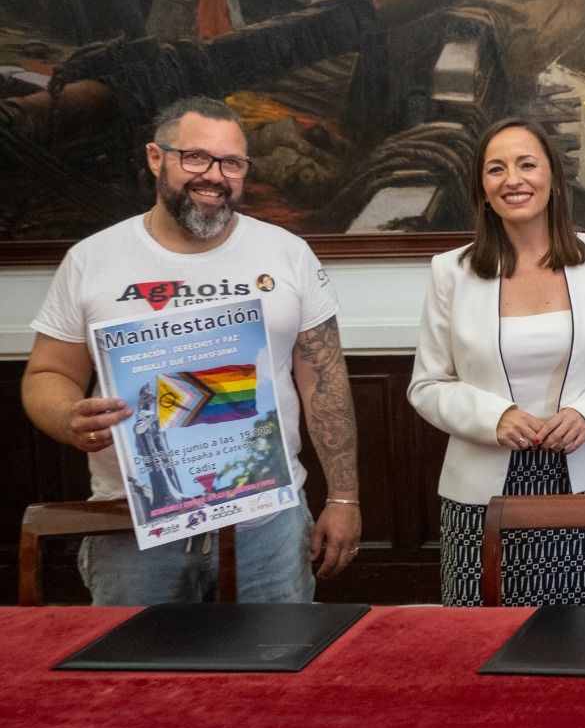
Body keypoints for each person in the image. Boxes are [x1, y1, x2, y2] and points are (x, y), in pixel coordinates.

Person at [22, 96, 361, 604]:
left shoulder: (287, 254)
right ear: (157, 158)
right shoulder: (92, 260)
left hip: (265, 518)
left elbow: (325, 380)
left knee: (274, 671)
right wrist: (67, 416)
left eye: (232, 163)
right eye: (196, 157)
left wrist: (343, 496)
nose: (214, 175)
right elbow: (47, 373)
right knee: (138, 679)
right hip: (131, 525)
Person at [408, 118, 585, 607]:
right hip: (481, 493)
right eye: (496, 169)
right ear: (483, 190)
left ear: (552, 178)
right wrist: (494, 418)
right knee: (484, 644)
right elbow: (427, 385)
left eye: (526, 164)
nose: (512, 179)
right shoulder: (450, 271)